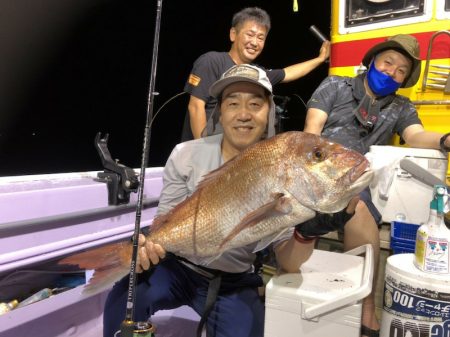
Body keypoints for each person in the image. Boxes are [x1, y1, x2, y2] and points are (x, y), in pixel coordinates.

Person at [103, 64, 355, 337]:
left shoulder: (285, 169)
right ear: (220, 113)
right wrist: (145, 246)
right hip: (176, 267)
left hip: (232, 281)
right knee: (124, 300)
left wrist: (307, 234)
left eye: (255, 104)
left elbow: (289, 263)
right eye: (233, 103)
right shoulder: (185, 154)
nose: (244, 114)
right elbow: (165, 219)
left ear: (268, 112)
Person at [299, 34, 450, 337]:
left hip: (358, 179)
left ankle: (366, 312)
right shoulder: (335, 85)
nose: (391, 72)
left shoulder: (401, 106)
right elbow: (311, 130)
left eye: (401, 71)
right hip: (318, 168)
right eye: (388, 63)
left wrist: (445, 139)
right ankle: (291, 288)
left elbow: (416, 136)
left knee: (361, 208)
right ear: (372, 62)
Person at [181, 6, 330, 140]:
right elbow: (195, 107)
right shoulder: (211, 61)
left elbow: (287, 73)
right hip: (202, 156)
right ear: (233, 34)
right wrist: (202, 151)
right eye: (250, 34)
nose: (254, 42)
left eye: (261, 38)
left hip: (231, 157)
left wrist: (320, 59)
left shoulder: (256, 74)